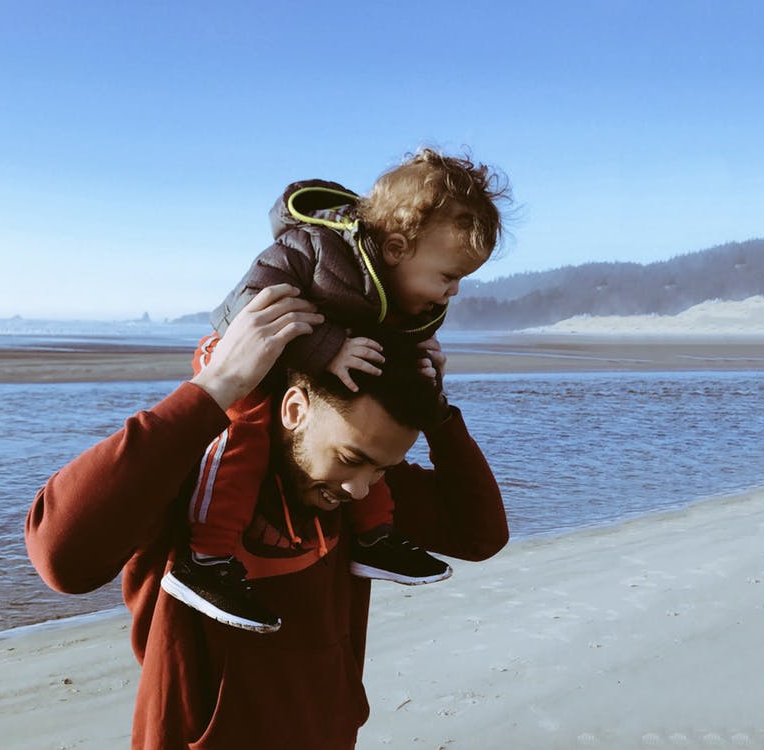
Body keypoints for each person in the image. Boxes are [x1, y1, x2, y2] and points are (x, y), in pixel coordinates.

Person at [25, 284, 509, 750]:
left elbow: (479, 534)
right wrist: (214, 387)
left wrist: (439, 415)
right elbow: (61, 558)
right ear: (295, 409)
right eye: (351, 458)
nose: (360, 487)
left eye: (382, 468)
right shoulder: (193, 469)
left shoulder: (363, 487)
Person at [170, 149, 510, 631]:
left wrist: (427, 392)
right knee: (241, 437)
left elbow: (482, 535)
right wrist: (327, 349)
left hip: (314, 380)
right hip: (240, 360)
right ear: (396, 249)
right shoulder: (314, 248)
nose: (454, 291)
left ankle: (374, 537)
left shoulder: (402, 295)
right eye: (449, 276)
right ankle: (206, 560)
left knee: (369, 454)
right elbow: (245, 306)